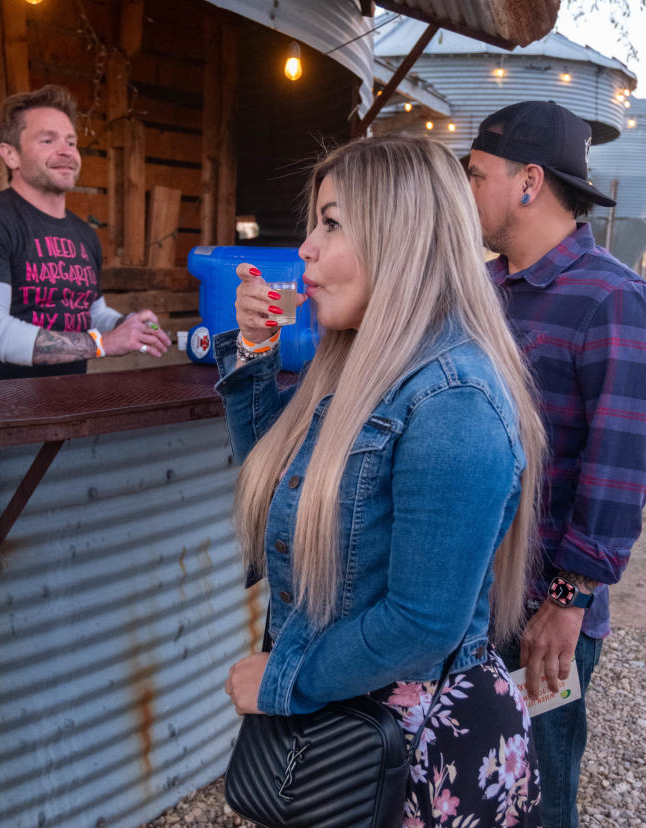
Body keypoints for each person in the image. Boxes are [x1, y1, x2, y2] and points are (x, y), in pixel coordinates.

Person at [217, 136, 546, 826]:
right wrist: (254, 352)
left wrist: (287, 677)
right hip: (347, 728)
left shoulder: (453, 397)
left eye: (331, 223)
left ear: (403, 239)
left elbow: (423, 625)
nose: (305, 246)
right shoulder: (361, 365)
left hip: (417, 754)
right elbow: (271, 475)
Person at [467, 100, 646, 828]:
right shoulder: (481, 289)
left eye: (476, 174)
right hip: (465, 597)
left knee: (539, 792)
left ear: (527, 182)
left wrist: (570, 599)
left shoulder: (616, 298)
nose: (466, 190)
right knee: (467, 787)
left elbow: (622, 465)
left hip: (543, 614)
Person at [0, 84, 169, 382]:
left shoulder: (84, 235)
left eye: (71, 141)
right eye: (47, 140)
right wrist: (103, 343)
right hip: (2, 415)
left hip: (70, 409)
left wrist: (126, 324)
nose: (65, 151)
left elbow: (89, 312)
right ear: (10, 155)